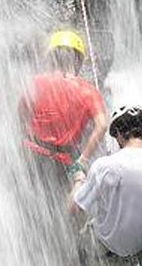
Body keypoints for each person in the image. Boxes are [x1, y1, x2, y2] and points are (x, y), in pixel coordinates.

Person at [70, 105, 142, 266]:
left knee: (79, 225)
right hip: (132, 257)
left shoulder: (104, 166)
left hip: (100, 246)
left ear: (119, 134)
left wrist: (79, 179)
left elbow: (74, 207)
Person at [19, 30, 108, 175]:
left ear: (51, 58)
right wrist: (82, 161)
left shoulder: (35, 83)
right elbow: (102, 125)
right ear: (78, 60)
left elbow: (21, 115)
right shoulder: (89, 91)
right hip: (62, 161)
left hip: (30, 155)